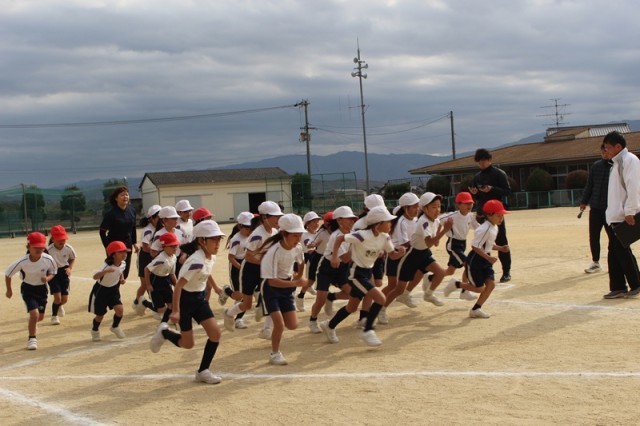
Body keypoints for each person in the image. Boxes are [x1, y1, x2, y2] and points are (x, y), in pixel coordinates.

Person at [149, 220, 226, 384]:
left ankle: (203, 371)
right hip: (185, 300)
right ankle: (164, 332)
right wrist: (176, 310)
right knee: (187, 344)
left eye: (219, 239)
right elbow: (178, 286)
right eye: (213, 239)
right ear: (202, 241)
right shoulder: (195, 260)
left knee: (215, 334)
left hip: (199, 299)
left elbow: (206, 272)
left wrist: (216, 287)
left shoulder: (210, 257)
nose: (217, 243)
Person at [319, 206, 405, 346]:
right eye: (388, 221)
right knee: (380, 298)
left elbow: (393, 255)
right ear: (378, 224)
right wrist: (334, 256)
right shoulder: (362, 235)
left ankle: (329, 325)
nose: (391, 224)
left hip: (367, 272)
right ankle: (367, 330)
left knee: (352, 307)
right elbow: (340, 238)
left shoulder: (385, 237)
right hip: (355, 273)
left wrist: (399, 253)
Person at [223, 201, 283, 338]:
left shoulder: (275, 232)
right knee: (247, 303)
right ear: (264, 217)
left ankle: (267, 329)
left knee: (272, 297)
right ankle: (229, 313)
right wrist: (265, 262)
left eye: (279, 216)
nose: (278, 219)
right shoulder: (257, 234)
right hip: (250, 269)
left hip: (265, 270)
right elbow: (249, 256)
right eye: (275, 216)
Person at [390, 192, 452, 311]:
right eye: (434, 207)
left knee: (436, 273)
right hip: (410, 254)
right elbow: (427, 242)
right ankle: (380, 308)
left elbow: (433, 238)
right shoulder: (418, 221)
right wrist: (444, 231)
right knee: (396, 287)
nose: (438, 210)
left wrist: (437, 234)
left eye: (439, 206)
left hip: (422, 252)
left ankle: (425, 294)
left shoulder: (430, 220)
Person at [259, 214, 307, 365]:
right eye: (294, 235)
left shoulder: (297, 247)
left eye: (299, 235)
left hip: (287, 286)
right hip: (271, 289)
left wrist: (298, 276)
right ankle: (274, 354)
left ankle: (269, 311)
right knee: (279, 324)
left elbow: (301, 262)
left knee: (292, 325)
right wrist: (296, 283)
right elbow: (272, 281)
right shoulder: (274, 252)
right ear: (284, 234)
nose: (298, 239)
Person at [602, 131, 640, 299]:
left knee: (621, 250)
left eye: (607, 147)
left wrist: (630, 211)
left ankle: (636, 283)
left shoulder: (629, 160)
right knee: (615, 251)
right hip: (615, 215)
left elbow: (634, 186)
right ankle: (618, 286)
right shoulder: (616, 163)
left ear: (618, 146)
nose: (606, 151)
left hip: (624, 215)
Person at [5, 232, 57, 350]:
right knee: (34, 314)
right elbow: (8, 274)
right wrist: (9, 290)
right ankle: (32, 339)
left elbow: (53, 272)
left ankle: (32, 324)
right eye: (35, 247)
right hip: (28, 289)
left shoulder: (48, 259)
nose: (38, 250)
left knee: (40, 317)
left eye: (41, 247)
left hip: (42, 289)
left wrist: (47, 278)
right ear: (28, 247)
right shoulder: (22, 262)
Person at [308, 207, 356, 334]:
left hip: (342, 268)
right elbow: (345, 258)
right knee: (320, 299)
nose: (352, 221)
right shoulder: (336, 236)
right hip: (326, 268)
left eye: (353, 219)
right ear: (339, 221)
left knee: (351, 294)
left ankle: (331, 297)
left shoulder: (352, 232)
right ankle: (313, 320)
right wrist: (356, 246)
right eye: (349, 219)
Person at [468, 148, 512, 282]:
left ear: (489, 160)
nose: (481, 164)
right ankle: (483, 270)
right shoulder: (477, 177)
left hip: (496, 212)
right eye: (478, 162)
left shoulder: (499, 173)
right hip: (482, 212)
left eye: (483, 161)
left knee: (501, 240)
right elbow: (477, 197)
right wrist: (474, 194)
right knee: (482, 242)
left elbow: (508, 191)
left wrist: (492, 189)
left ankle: (506, 272)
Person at [378, 192, 419, 325]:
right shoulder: (401, 222)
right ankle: (379, 306)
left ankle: (403, 295)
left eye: (418, 206)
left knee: (420, 272)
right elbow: (404, 243)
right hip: (396, 255)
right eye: (414, 206)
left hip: (408, 255)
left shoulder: (415, 220)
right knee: (394, 286)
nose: (417, 209)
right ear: (405, 208)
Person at [465, 200, 510, 318]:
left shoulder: (494, 227)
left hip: (485, 259)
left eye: (502, 216)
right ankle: (457, 284)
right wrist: (488, 257)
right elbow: (475, 246)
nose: (501, 218)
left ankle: (476, 309)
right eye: (498, 216)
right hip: (476, 260)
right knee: (479, 288)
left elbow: (488, 245)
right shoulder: (484, 229)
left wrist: (500, 248)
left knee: (491, 285)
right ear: (489, 215)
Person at [440, 192, 479, 301]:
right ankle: (464, 292)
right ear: (458, 204)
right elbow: (438, 221)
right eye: (466, 203)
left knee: (450, 271)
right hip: (453, 245)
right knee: (468, 264)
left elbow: (479, 228)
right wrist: (436, 237)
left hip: (462, 244)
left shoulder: (471, 216)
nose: (469, 205)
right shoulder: (452, 216)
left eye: (471, 203)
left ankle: (429, 278)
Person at [219, 211, 255, 329]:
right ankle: (227, 291)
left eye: (251, 227)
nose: (250, 230)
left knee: (246, 295)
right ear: (240, 226)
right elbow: (231, 257)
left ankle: (238, 319)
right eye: (247, 227)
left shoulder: (253, 237)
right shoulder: (236, 239)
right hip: (236, 266)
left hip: (247, 263)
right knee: (238, 296)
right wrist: (241, 268)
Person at [579, 144, 611, 274]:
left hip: (610, 209)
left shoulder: (616, 166)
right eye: (602, 152)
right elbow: (589, 185)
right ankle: (595, 262)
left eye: (606, 151)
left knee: (613, 238)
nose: (605, 154)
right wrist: (584, 201)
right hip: (595, 207)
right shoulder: (596, 166)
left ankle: (614, 263)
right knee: (593, 236)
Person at [88, 241, 128, 341]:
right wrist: (105, 272)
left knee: (120, 310)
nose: (124, 254)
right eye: (121, 252)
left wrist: (122, 278)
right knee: (100, 315)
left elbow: (120, 271)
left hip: (114, 289)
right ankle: (95, 330)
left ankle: (115, 326)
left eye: (125, 251)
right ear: (113, 255)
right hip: (101, 290)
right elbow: (95, 277)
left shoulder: (123, 263)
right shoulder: (106, 266)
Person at [99, 186, 138, 279]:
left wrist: (134, 243)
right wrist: (107, 246)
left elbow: (133, 228)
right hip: (115, 246)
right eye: (122, 195)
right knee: (114, 272)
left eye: (127, 195)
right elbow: (102, 231)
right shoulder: (111, 214)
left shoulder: (132, 211)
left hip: (127, 245)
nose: (125, 197)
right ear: (116, 198)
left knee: (125, 273)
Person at [144, 232, 180, 326]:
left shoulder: (174, 257)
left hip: (166, 280)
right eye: (172, 246)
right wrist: (148, 284)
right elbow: (147, 269)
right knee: (161, 309)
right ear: (164, 246)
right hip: (156, 281)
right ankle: (145, 303)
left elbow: (172, 273)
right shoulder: (161, 258)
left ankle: (163, 324)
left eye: (176, 245)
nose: (175, 248)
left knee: (171, 305)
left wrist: (177, 284)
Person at [133, 204, 161, 315]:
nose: (161, 219)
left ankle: (152, 304)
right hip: (145, 257)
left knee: (155, 283)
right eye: (158, 217)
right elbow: (145, 247)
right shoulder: (148, 230)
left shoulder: (160, 228)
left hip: (155, 256)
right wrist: (157, 252)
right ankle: (137, 303)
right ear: (152, 218)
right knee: (145, 284)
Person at [47, 225, 77, 325]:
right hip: (53, 274)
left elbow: (72, 258)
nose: (62, 241)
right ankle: (54, 316)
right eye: (59, 239)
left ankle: (59, 305)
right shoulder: (48, 250)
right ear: (53, 239)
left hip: (64, 273)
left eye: (63, 239)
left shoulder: (68, 248)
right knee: (58, 298)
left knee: (64, 300)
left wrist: (69, 268)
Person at [295, 211, 322, 312]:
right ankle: (299, 296)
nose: (316, 224)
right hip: (305, 256)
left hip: (315, 255)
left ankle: (309, 286)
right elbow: (308, 244)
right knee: (306, 278)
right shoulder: (305, 234)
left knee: (313, 278)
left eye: (317, 221)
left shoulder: (319, 232)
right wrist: (315, 246)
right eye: (313, 222)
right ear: (307, 224)